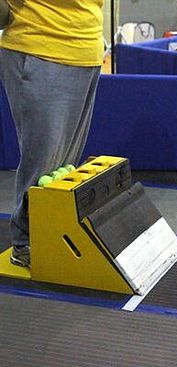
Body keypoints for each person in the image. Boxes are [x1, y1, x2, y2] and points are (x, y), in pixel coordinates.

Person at [0, 1, 104, 267]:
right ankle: (27, 242)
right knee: (43, 162)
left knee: (64, 168)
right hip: (40, 45)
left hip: (86, 47)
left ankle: (53, 234)